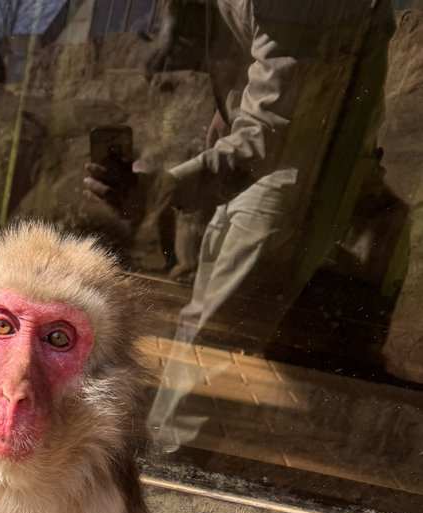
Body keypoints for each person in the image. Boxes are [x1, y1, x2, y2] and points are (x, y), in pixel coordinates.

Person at [86, 0, 403, 450]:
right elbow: (265, 84)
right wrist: (228, 107)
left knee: (217, 344)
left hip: (300, 178)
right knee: (209, 335)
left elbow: (272, 136)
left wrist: (165, 188)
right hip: (279, 164)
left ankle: (178, 480)